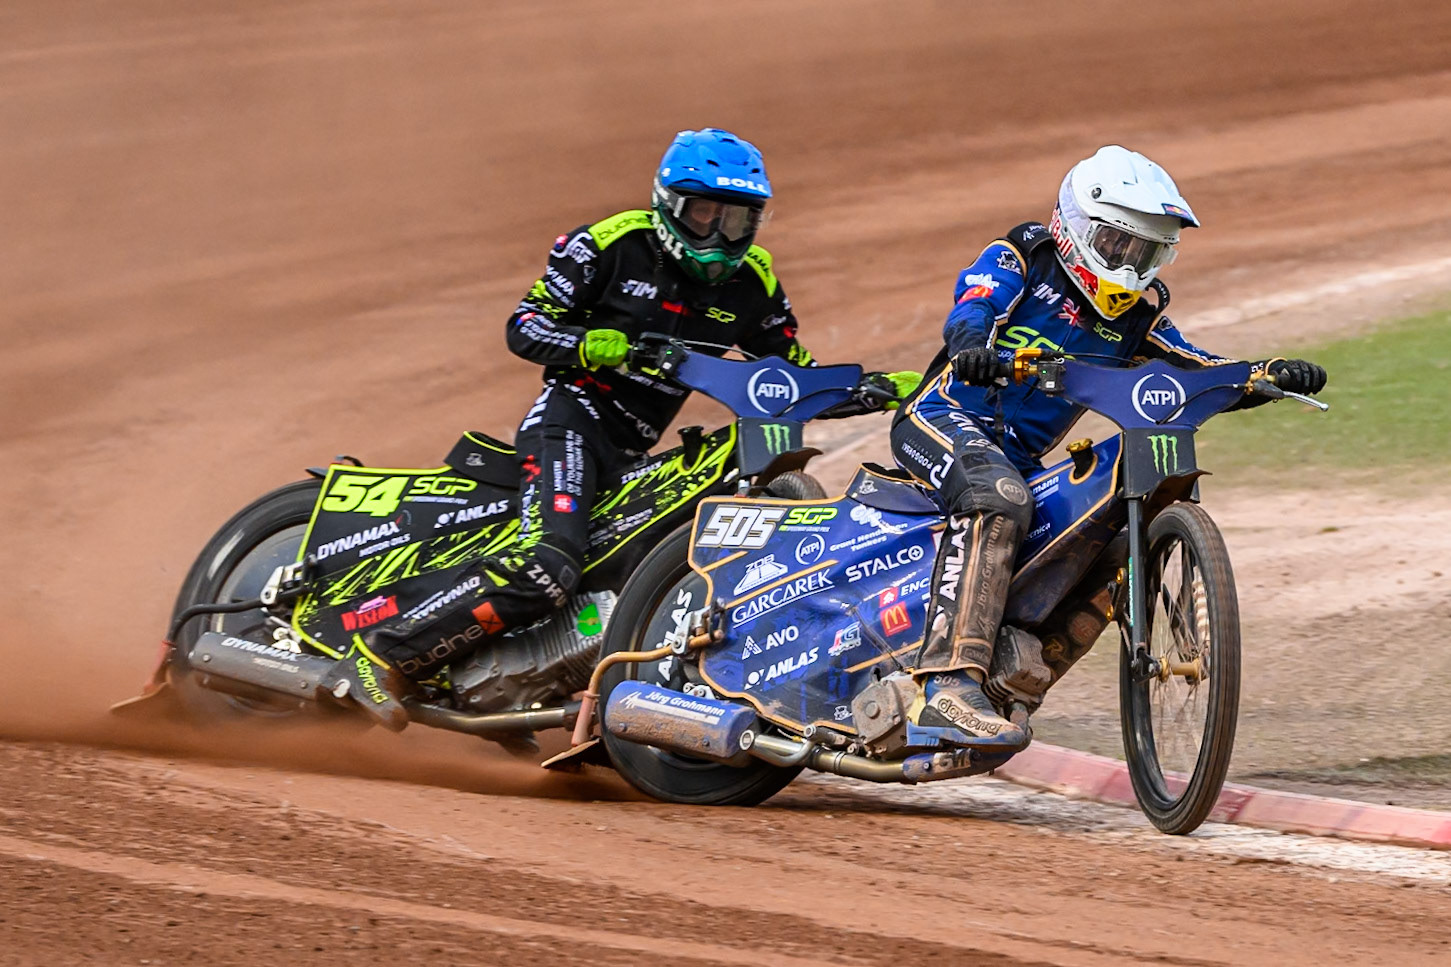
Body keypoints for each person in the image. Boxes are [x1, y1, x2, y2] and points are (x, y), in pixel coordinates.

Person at [329, 127, 921, 728]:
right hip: (570, 423)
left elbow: (788, 380)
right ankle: (381, 650)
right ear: (668, 204)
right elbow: (525, 327)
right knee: (548, 565)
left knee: (623, 579)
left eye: (739, 220)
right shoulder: (608, 245)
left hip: (633, 451)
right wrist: (591, 345)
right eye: (705, 213)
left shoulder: (755, 281)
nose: (720, 235)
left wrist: (875, 389)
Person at [890, 145, 1327, 749]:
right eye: (1118, 245)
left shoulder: (1137, 319)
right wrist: (971, 344)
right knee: (1000, 498)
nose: (1128, 264)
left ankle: (1013, 676)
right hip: (942, 417)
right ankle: (946, 686)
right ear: (1075, 226)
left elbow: (1197, 365)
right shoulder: (1024, 254)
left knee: (1118, 544)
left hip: (1017, 456)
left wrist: (1264, 374)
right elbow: (974, 305)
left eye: (1144, 252)